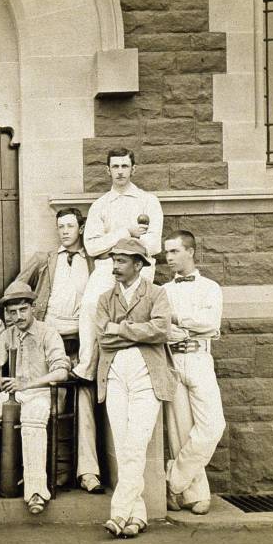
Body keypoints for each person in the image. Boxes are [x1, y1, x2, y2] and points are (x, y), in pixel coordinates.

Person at [0, 281, 70, 514]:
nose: (18, 316)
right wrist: (0, 381)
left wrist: (27, 384)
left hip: (43, 393)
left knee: (32, 413)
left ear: (33, 308)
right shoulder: (7, 334)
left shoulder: (47, 332)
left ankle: (36, 491)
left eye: (22, 310)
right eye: (12, 312)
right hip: (16, 393)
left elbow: (61, 371)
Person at [15, 207, 103, 494]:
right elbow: (14, 290)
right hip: (49, 342)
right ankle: (56, 471)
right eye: (60, 227)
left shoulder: (95, 262)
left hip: (82, 343)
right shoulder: (44, 260)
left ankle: (87, 472)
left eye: (69, 226)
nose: (64, 231)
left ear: (81, 228)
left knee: (84, 404)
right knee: (50, 405)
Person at [96, 238, 178, 539]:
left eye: (122, 261)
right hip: (116, 374)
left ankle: (118, 513)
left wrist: (121, 329)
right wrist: (133, 333)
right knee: (123, 446)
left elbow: (160, 330)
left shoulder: (156, 293)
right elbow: (104, 338)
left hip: (148, 375)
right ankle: (137, 515)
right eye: (114, 260)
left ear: (139, 264)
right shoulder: (106, 298)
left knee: (136, 444)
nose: (115, 266)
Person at [75, 150, 163, 385]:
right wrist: (127, 232)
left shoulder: (148, 201)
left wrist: (112, 245)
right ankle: (87, 366)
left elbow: (152, 245)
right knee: (91, 304)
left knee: (133, 310)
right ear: (108, 170)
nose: (120, 171)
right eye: (115, 166)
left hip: (139, 266)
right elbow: (93, 248)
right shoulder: (100, 205)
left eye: (125, 166)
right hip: (107, 267)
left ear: (133, 169)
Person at [162, 230, 226, 516]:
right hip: (173, 360)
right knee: (181, 431)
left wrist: (178, 321)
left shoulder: (210, 287)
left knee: (213, 425)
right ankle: (195, 495)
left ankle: (172, 480)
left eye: (174, 251)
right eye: (166, 252)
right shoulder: (163, 291)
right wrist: (179, 327)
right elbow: (162, 329)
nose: (169, 257)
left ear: (190, 251)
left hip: (199, 358)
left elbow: (211, 324)